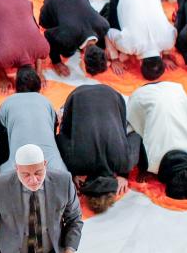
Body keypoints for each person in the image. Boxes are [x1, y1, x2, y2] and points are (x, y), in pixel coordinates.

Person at [57, 85, 141, 213]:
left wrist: (124, 173)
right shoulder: (74, 163)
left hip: (111, 95)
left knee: (122, 128)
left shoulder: (125, 162)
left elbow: (135, 136)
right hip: (77, 97)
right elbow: (60, 138)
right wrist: (72, 172)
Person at [126, 82, 187, 200]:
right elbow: (138, 140)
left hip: (174, 90)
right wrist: (145, 170)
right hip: (141, 97)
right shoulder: (151, 164)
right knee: (135, 129)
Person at [100, 0, 177, 80]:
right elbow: (108, 32)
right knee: (110, 23)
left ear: (161, 58)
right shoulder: (127, 45)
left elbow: (172, 30)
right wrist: (114, 59)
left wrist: (167, 56)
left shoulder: (170, 41)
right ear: (140, 63)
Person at [0, 69, 67, 174]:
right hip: (54, 167)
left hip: (17, 167)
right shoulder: (47, 102)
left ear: (16, 86)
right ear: (38, 85)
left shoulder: (7, 103)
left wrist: (4, 159)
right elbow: (53, 133)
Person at [39, 0, 110, 77]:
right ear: (82, 57)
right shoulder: (67, 37)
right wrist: (56, 62)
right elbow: (48, 34)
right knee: (66, 52)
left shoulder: (104, 26)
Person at [0, 0, 50, 91]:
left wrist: (39, 72)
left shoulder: (44, 49)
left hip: (23, 1)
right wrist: (3, 78)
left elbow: (38, 53)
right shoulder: (4, 58)